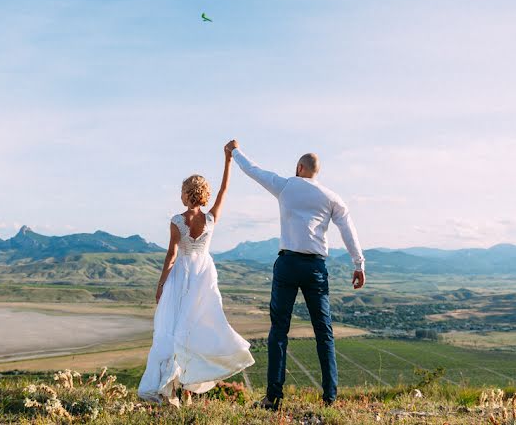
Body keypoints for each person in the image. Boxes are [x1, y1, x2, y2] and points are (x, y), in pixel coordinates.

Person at [226, 139, 365, 409]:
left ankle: (273, 397)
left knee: (279, 331)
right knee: (324, 333)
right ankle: (330, 397)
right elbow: (348, 229)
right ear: (316, 172)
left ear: (300, 168)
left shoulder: (286, 185)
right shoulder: (331, 197)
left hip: (288, 264)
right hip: (315, 268)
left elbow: (254, 170)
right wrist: (358, 264)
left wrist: (234, 151)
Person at [137, 144, 254, 406]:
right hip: (203, 276)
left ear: (187, 194)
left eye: (181, 191)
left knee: (174, 329)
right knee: (194, 329)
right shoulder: (211, 219)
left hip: (181, 277)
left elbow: (171, 256)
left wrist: (161, 284)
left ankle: (173, 390)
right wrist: (227, 161)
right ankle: (186, 392)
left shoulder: (177, 221)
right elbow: (224, 190)